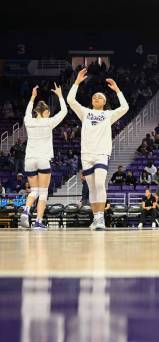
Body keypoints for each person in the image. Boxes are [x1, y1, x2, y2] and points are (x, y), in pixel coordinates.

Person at [67, 67, 129, 230]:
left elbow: (125, 108)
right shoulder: (85, 112)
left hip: (102, 153)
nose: (96, 97)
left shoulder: (109, 115)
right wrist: (76, 83)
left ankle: (101, 218)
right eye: (94, 96)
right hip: (86, 155)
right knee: (92, 188)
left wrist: (117, 90)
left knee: (100, 184)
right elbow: (70, 101)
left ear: (104, 102)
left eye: (99, 97)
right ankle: (96, 219)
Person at [19, 83, 67, 229]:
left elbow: (27, 112)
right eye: (48, 112)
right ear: (45, 112)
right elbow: (64, 112)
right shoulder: (48, 122)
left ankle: (26, 210)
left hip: (29, 160)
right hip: (42, 159)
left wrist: (32, 97)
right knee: (44, 192)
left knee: (34, 191)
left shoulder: (29, 121)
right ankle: (38, 221)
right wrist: (60, 96)